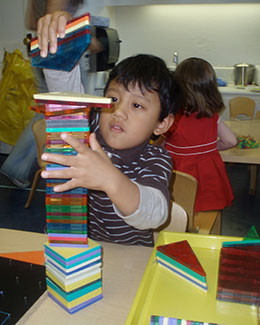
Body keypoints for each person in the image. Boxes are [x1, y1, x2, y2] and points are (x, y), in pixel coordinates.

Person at [0, 1, 101, 188]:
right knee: (63, 112)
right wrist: (86, 38)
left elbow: (32, 21)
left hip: (44, 52)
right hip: (58, 55)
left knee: (48, 112)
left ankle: (16, 166)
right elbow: (56, 21)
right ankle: (18, 166)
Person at [164, 57, 237, 212]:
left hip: (178, 180)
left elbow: (161, 144)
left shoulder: (171, 118)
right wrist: (209, 147)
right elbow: (231, 141)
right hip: (208, 181)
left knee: (177, 209)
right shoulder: (212, 116)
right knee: (208, 209)